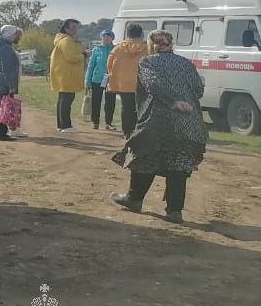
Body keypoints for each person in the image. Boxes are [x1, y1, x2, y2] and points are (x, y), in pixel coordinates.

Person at [110, 30, 208, 223]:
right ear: (171, 44)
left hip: (158, 121)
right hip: (189, 123)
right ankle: (174, 211)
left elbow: (153, 84)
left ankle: (134, 199)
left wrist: (173, 101)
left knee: (145, 156)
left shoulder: (148, 62)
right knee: (178, 164)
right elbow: (199, 88)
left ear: (151, 45)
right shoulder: (186, 63)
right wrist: (183, 98)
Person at [107, 22, 146, 137]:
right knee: (140, 108)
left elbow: (109, 65)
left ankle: (127, 132)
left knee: (126, 107)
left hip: (122, 84)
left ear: (127, 34)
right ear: (141, 34)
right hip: (141, 83)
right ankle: (137, 131)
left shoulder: (117, 48)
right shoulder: (147, 48)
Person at [48, 19, 85, 132]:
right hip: (67, 75)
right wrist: (84, 55)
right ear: (66, 28)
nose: (75, 30)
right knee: (67, 100)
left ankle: (61, 125)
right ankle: (65, 125)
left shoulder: (63, 40)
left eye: (76, 27)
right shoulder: (67, 41)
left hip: (63, 74)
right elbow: (71, 57)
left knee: (63, 99)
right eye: (73, 27)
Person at [0, 24, 22, 141]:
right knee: (5, 107)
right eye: (14, 34)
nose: (15, 37)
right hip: (4, 82)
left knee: (0, 107)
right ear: (10, 35)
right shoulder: (6, 48)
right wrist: (11, 86)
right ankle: (2, 133)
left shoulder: (0, 46)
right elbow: (7, 69)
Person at [85, 30, 116, 130]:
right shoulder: (96, 49)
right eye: (104, 36)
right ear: (101, 38)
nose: (106, 38)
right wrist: (87, 81)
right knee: (96, 101)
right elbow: (91, 66)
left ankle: (108, 123)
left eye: (108, 36)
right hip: (97, 79)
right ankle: (95, 122)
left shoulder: (116, 49)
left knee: (110, 101)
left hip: (111, 80)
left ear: (112, 38)